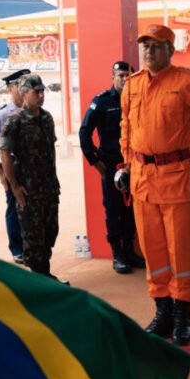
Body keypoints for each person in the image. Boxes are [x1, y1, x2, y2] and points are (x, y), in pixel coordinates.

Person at [117, 24, 190, 345]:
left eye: (157, 46)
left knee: (179, 252)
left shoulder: (187, 82)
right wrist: (126, 166)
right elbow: (125, 128)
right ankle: (163, 311)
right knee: (152, 250)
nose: (149, 52)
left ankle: (183, 315)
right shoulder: (132, 85)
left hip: (177, 178)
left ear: (171, 50)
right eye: (145, 46)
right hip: (141, 179)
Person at [79, 60, 146, 272]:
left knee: (132, 209)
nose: (125, 79)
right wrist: (94, 160)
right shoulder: (102, 101)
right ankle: (117, 255)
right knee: (114, 209)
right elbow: (84, 131)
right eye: (121, 76)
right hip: (111, 166)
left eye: (128, 75)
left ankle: (129, 252)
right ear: (113, 77)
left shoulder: (139, 100)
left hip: (135, 164)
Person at [0, 74, 62, 280]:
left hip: (49, 188)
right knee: (33, 240)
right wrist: (14, 186)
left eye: (43, 91)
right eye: (37, 92)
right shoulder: (14, 121)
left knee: (50, 232)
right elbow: (4, 153)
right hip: (29, 191)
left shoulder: (47, 118)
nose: (41, 95)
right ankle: (40, 279)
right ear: (24, 94)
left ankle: (45, 274)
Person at [0, 69, 28, 263]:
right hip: (12, 168)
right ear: (10, 88)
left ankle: (30, 245)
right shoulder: (3, 114)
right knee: (14, 207)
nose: (23, 89)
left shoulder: (31, 109)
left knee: (31, 208)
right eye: (19, 85)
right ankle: (17, 248)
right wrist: (1, 172)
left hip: (31, 169)